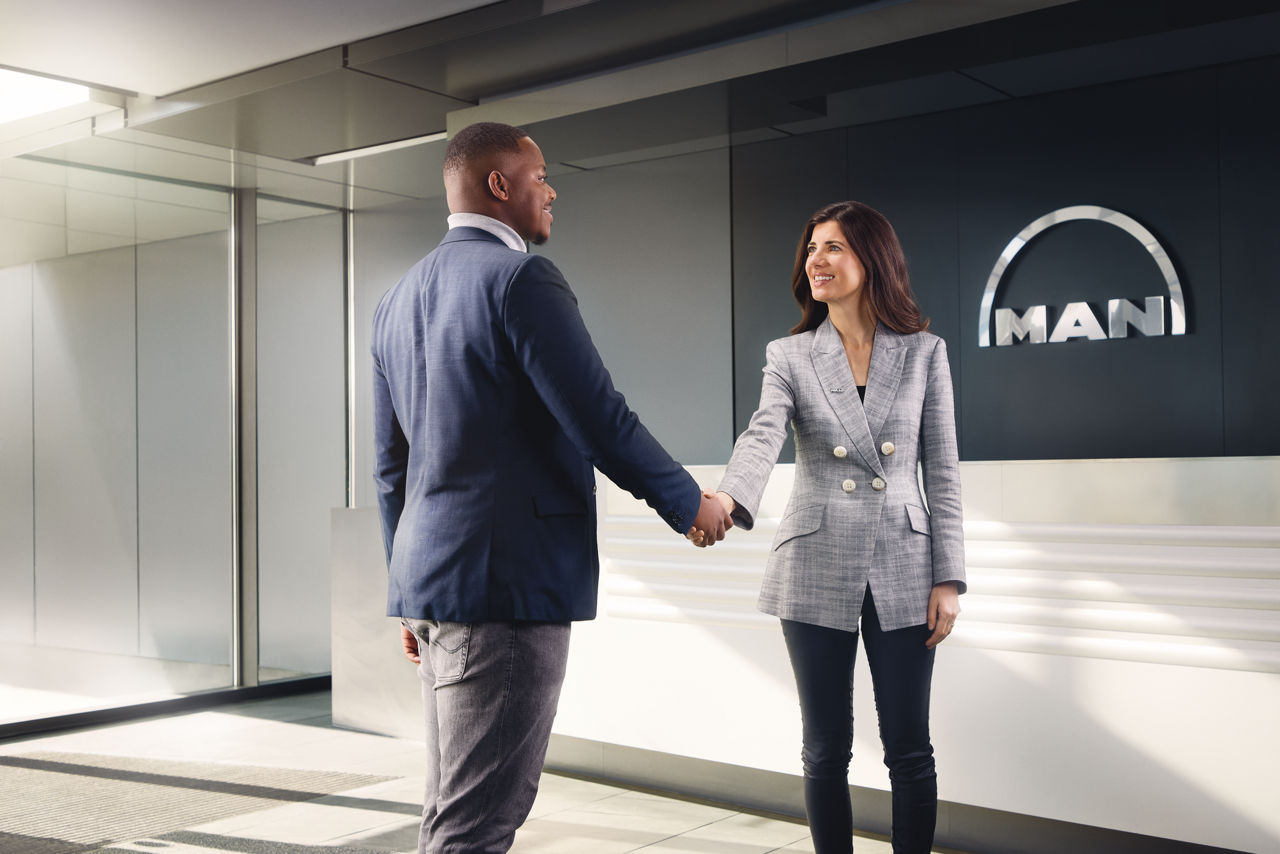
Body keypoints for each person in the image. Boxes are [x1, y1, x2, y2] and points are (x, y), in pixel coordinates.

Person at [370, 121, 731, 854]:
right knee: (477, 825)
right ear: (498, 185)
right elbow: (598, 418)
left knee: (451, 815)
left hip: (435, 589)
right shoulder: (519, 279)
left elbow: (389, 467)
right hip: (503, 593)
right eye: (539, 175)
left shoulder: (396, 299)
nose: (551, 188)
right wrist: (691, 503)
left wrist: (408, 595)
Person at [699, 201, 965, 853]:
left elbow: (945, 471)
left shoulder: (924, 353)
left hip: (905, 565)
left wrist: (949, 578)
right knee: (825, 749)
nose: (818, 258)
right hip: (815, 561)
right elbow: (763, 434)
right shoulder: (790, 355)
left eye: (836, 247)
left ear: (873, 259)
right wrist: (732, 499)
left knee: (909, 747)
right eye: (813, 248)